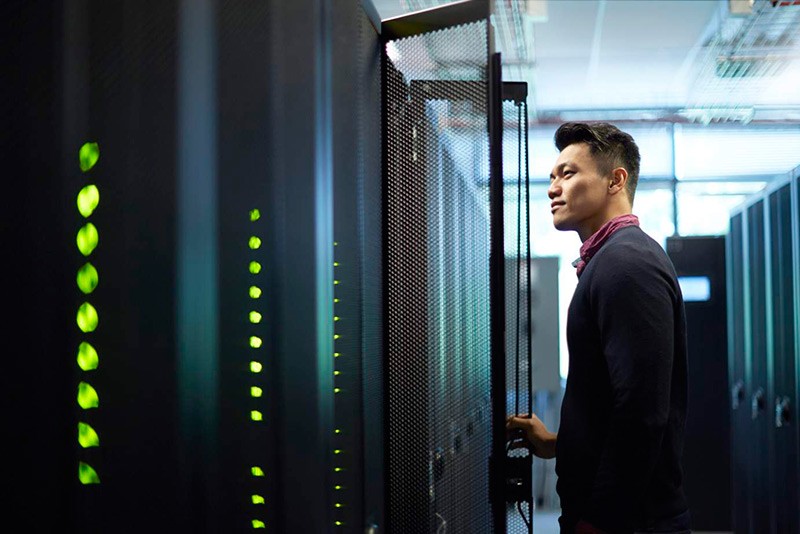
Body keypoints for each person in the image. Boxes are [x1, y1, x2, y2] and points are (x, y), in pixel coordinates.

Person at [507, 122, 690, 534]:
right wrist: (560, 443)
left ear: (615, 180)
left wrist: (598, 522)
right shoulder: (611, 260)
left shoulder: (627, 265)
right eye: (552, 177)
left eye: (568, 174)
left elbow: (641, 412)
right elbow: (613, 398)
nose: (553, 188)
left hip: (628, 523)